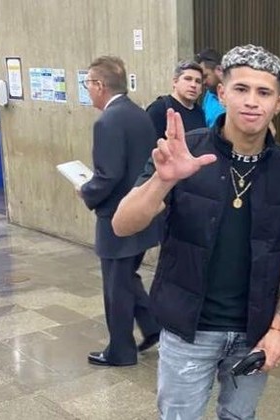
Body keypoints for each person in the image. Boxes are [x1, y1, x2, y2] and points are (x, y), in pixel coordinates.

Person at [112, 44, 280, 420]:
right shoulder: (186, 152)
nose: (252, 101)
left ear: (278, 103)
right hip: (188, 328)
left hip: (253, 331)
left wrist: (279, 327)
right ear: (222, 93)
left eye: (264, 92)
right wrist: (163, 181)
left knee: (239, 416)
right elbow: (123, 224)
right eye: (241, 89)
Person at [79, 56, 161, 367]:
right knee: (126, 278)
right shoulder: (139, 114)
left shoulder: (107, 121)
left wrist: (85, 190)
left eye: (88, 83)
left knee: (115, 287)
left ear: (99, 85)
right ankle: (153, 326)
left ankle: (120, 351)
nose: (87, 89)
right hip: (143, 213)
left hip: (117, 219)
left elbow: (108, 175)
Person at [147, 60, 206, 139]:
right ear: (175, 82)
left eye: (198, 81)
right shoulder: (159, 109)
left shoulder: (200, 112)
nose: (193, 85)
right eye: (188, 79)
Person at [195, 47, 226, 127]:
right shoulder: (209, 95)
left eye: (205, 76)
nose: (203, 82)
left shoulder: (236, 94)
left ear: (219, 70)